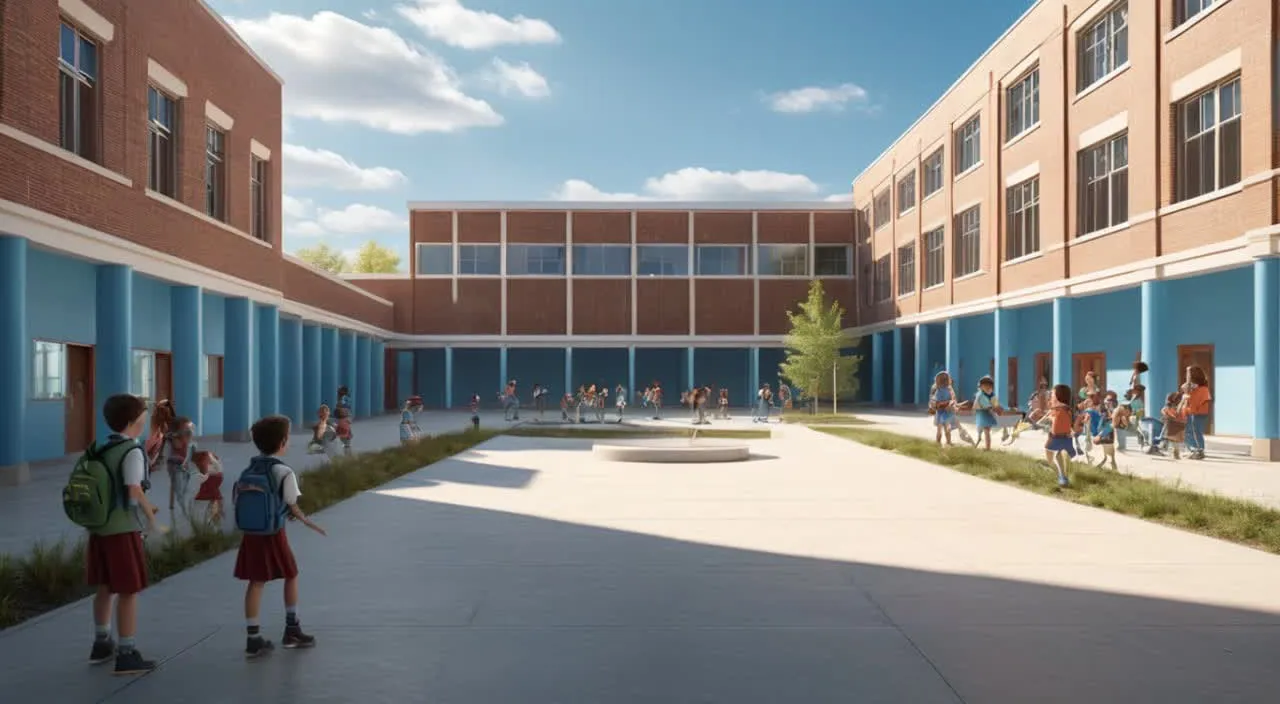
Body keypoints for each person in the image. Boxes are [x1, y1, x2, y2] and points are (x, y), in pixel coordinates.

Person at [234, 415, 327, 658]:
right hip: (274, 533)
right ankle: (292, 629)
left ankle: (253, 638)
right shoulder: (283, 471)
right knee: (291, 574)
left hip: (252, 534)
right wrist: (307, 520)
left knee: (256, 581)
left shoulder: (250, 468)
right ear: (283, 441)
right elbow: (291, 504)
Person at [84, 394, 161, 674]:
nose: (146, 416)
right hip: (123, 530)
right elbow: (133, 491)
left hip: (100, 528)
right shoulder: (132, 450)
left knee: (105, 586)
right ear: (134, 421)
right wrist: (151, 517)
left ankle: (101, 643)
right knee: (128, 590)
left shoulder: (102, 447)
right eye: (143, 413)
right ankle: (127, 654)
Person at [1043, 385, 1077, 488]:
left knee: (1057, 456)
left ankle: (1062, 476)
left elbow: (1062, 422)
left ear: (1059, 396)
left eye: (1052, 395)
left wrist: (1051, 417)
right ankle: (1060, 475)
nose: (1051, 397)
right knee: (1053, 457)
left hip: (1060, 437)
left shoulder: (1062, 409)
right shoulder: (1060, 409)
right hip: (1058, 437)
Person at [929, 372, 956, 446]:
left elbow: (953, 399)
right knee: (941, 429)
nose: (951, 379)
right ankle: (940, 442)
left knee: (946, 429)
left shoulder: (949, 389)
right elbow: (935, 402)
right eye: (949, 378)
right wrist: (946, 403)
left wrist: (951, 404)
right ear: (945, 380)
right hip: (940, 412)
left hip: (946, 412)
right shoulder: (938, 390)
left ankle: (948, 442)